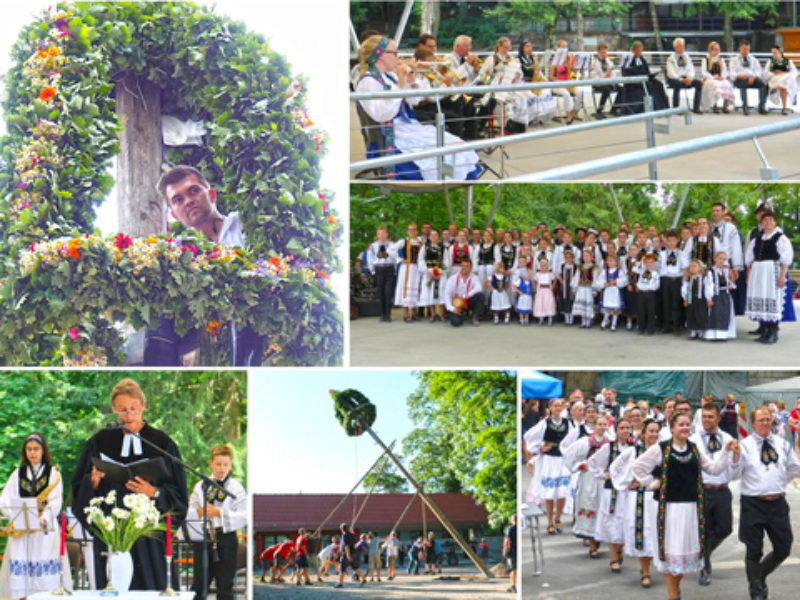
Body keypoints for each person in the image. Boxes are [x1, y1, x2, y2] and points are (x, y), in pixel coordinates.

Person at [72, 378, 188, 589]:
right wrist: (93, 483)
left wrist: (154, 492)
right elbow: (79, 487)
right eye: (123, 410)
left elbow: (179, 493)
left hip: (149, 538)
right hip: (112, 533)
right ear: (115, 411)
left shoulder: (162, 443)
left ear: (143, 407)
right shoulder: (99, 442)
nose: (129, 415)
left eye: (134, 409)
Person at [147, 165, 263, 366]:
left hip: (250, 319)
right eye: (178, 199)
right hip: (204, 333)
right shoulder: (180, 254)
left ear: (211, 194)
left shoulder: (243, 224)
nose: (188, 201)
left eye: (193, 191)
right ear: (174, 214)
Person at [632, 412, 738, 600]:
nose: (685, 428)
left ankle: (676, 588)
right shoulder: (660, 449)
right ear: (672, 427)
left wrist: (725, 452)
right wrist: (651, 483)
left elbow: (714, 469)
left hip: (690, 508)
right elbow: (638, 467)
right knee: (670, 553)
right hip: (668, 509)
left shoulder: (695, 449)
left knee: (683, 556)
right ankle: (673, 595)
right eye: (680, 425)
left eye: (687, 425)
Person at [355, 35, 481, 180]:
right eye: (394, 53)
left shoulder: (389, 76)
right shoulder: (367, 82)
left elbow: (414, 100)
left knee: (457, 146)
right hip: (393, 135)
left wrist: (412, 80)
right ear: (380, 55)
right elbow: (382, 115)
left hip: (408, 127)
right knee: (443, 153)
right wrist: (401, 84)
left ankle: (454, 179)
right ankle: (447, 180)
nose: (398, 57)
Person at [729, 405, 800, 600]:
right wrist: (734, 457)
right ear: (753, 423)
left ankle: (757, 577)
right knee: (754, 550)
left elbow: (793, 467)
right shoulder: (744, 446)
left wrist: (777, 484)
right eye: (761, 420)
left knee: (784, 547)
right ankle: (757, 592)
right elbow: (734, 474)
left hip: (777, 503)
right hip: (753, 504)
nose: (765, 423)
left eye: (768, 419)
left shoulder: (782, 443)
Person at [0, 433, 68, 598]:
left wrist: (41, 519)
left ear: (43, 451)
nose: (32, 453)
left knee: (44, 577)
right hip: (21, 530)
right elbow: (5, 499)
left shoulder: (53, 474)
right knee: (20, 578)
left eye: (36, 449)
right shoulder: (18, 473)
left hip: (43, 529)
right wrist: (21, 519)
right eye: (29, 449)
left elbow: (55, 501)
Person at [189, 444, 247, 599]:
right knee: (199, 586)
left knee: (225, 586)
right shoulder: (200, 486)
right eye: (219, 464)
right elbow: (191, 511)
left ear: (230, 465)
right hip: (203, 537)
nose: (222, 468)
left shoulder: (236, 488)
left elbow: (244, 515)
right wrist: (201, 512)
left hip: (226, 537)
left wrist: (219, 513)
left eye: (226, 465)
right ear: (211, 464)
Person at [609, 419, 662, 588]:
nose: (654, 434)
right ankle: (645, 571)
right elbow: (614, 468)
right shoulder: (633, 451)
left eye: (656, 431)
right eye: (651, 431)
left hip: (658, 497)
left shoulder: (664, 451)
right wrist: (627, 482)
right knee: (643, 533)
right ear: (644, 433)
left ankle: (656, 565)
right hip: (639, 498)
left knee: (657, 532)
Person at [689, 402, 735, 586]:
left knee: (725, 529)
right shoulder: (693, 439)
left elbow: (733, 463)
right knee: (704, 531)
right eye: (704, 417)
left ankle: (702, 554)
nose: (707, 420)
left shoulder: (727, 438)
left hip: (722, 489)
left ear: (718, 418)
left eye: (710, 416)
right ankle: (705, 567)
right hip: (702, 490)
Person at [587, 418, 634, 574]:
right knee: (612, 522)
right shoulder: (609, 447)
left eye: (628, 428)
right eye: (622, 428)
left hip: (628, 491)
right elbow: (592, 462)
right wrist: (603, 475)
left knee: (625, 521)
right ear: (616, 430)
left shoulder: (634, 448)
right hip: (612, 491)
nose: (625, 431)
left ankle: (619, 549)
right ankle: (613, 557)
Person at [562, 413, 612, 559]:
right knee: (589, 504)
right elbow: (570, 456)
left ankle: (602, 539)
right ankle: (592, 542)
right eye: (599, 424)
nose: (602, 427)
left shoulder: (610, 442)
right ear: (593, 426)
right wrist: (579, 466)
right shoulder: (586, 442)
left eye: (604, 424)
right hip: (589, 478)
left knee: (604, 507)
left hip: (604, 478)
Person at [745, 210, 793, 344]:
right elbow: (750, 259)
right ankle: (764, 330)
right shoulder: (756, 239)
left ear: (775, 222)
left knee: (771, 299)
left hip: (772, 271)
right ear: (761, 223)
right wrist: (749, 275)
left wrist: (783, 276)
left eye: (771, 220)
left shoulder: (781, 238)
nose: (768, 222)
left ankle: (773, 332)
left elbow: (785, 260)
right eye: (765, 220)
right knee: (761, 298)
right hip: (758, 271)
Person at [525, 398, 572, 533]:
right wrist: (540, 447)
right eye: (555, 406)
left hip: (562, 459)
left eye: (560, 406)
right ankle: (550, 521)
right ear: (550, 407)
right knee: (549, 492)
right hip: (549, 459)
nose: (558, 408)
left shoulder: (568, 423)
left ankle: (558, 518)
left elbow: (574, 439)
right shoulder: (545, 423)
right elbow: (529, 436)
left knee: (562, 490)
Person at [618, 41, 669, 114]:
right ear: (634, 50)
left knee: (659, 84)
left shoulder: (641, 59)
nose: (640, 53)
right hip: (635, 82)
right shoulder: (629, 59)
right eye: (639, 51)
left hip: (644, 79)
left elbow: (646, 70)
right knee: (650, 86)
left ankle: (662, 107)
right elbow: (627, 72)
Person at [390, 223, 423, 322]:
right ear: (408, 231)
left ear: (417, 231)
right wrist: (400, 259)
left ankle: (414, 312)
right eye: (410, 230)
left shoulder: (420, 242)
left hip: (417, 268)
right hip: (407, 268)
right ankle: (405, 313)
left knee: (416, 288)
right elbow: (390, 250)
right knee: (406, 290)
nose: (412, 231)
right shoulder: (403, 241)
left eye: (414, 229)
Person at [728, 40, 768, 115]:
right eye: (744, 49)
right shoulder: (734, 60)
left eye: (747, 49)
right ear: (740, 48)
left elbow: (758, 71)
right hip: (740, 79)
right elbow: (731, 73)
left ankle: (762, 106)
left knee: (762, 84)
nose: (746, 51)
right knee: (743, 84)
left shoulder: (753, 59)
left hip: (751, 78)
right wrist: (739, 76)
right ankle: (745, 106)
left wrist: (753, 77)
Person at [705, 251, 737, 341]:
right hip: (715, 294)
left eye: (723, 259)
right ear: (715, 259)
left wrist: (731, 285)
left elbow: (731, 282)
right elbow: (709, 285)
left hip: (725, 294)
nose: (721, 261)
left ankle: (723, 335)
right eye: (720, 258)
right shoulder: (710, 271)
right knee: (715, 315)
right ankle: (713, 335)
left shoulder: (726, 271)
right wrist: (709, 298)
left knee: (724, 315)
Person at [367, 226, 397, 322]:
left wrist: (395, 269)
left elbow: (395, 257)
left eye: (383, 233)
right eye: (379, 234)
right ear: (377, 235)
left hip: (389, 268)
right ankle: (382, 314)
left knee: (388, 292)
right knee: (381, 293)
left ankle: (388, 314)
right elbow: (370, 258)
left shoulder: (392, 245)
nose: (381, 235)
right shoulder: (373, 246)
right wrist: (373, 271)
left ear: (387, 234)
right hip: (379, 269)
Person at [665, 37, 702, 114]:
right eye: (680, 46)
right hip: (675, 79)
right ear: (675, 47)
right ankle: (676, 109)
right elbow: (671, 73)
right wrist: (681, 79)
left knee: (698, 83)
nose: (682, 47)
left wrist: (689, 78)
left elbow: (691, 69)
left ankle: (696, 108)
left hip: (686, 79)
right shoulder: (670, 59)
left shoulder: (687, 57)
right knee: (677, 84)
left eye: (683, 45)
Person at [444, 259, 484, 327]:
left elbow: (479, 288)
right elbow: (447, 295)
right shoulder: (452, 278)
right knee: (456, 323)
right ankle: (459, 315)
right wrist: (452, 309)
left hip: (467, 302)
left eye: (467, 266)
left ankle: (475, 317)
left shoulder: (474, 277)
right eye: (462, 266)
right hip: (456, 304)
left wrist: (464, 296)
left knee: (480, 296)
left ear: (471, 268)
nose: (464, 268)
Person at [549, 40, 581, 124]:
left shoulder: (571, 58)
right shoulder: (555, 59)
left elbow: (575, 72)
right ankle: (568, 115)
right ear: (558, 48)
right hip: (557, 83)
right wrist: (561, 82)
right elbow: (551, 76)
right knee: (566, 94)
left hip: (569, 82)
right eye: (562, 47)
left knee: (580, 92)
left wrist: (574, 70)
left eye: (565, 47)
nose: (564, 49)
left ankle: (573, 112)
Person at [682, 259, 714, 340]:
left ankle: (700, 332)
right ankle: (693, 332)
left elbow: (708, 287)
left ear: (700, 268)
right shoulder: (689, 278)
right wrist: (685, 298)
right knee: (691, 314)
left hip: (701, 300)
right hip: (691, 299)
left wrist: (709, 298)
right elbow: (685, 288)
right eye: (691, 266)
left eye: (695, 266)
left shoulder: (704, 278)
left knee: (701, 315)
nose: (692, 268)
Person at [418, 229, 445, 322]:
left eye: (436, 235)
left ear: (439, 237)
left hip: (440, 272)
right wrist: (426, 271)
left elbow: (446, 261)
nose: (434, 237)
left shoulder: (443, 247)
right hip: (428, 273)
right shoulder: (424, 247)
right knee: (430, 293)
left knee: (440, 293)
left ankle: (442, 314)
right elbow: (420, 260)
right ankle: (432, 315)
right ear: (429, 237)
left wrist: (439, 271)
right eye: (432, 235)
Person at [700, 41, 735, 113]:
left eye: (718, 50)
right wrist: (713, 77)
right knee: (715, 85)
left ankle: (725, 106)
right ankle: (714, 105)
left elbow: (725, 71)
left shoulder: (721, 60)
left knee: (727, 84)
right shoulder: (705, 60)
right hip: (709, 79)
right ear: (710, 50)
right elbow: (704, 72)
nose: (717, 51)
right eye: (715, 49)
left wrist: (722, 77)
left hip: (720, 78)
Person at [596, 254, 627, 331]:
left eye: (611, 261)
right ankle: (604, 321)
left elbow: (624, 280)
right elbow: (599, 280)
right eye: (608, 261)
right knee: (608, 308)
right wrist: (604, 283)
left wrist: (616, 281)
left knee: (615, 308)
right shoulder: (605, 271)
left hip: (615, 292)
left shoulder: (619, 271)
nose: (609, 262)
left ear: (616, 262)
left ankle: (614, 324)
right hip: (608, 292)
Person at [763, 46, 797, 115]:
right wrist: (775, 74)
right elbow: (765, 72)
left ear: (780, 53)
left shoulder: (788, 62)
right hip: (774, 79)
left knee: (787, 80)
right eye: (773, 53)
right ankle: (784, 108)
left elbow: (794, 72)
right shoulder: (770, 62)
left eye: (775, 52)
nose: (774, 54)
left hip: (785, 80)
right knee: (784, 84)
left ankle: (784, 108)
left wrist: (784, 74)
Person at [590, 43, 620, 118]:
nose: (604, 54)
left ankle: (615, 108)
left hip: (608, 82)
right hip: (598, 83)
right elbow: (593, 76)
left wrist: (612, 75)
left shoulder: (608, 61)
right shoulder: (594, 62)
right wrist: (604, 77)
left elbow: (613, 72)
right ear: (598, 52)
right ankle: (599, 110)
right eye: (603, 52)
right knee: (607, 90)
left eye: (605, 52)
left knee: (622, 89)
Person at [572, 248, 597, 328]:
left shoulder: (594, 267)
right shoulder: (580, 267)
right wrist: (575, 288)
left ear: (591, 257)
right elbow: (576, 278)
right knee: (582, 305)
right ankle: (583, 322)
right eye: (584, 256)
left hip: (589, 289)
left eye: (587, 256)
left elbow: (595, 279)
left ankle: (588, 322)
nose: (585, 258)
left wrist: (594, 290)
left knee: (588, 304)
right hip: (581, 288)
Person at [335, 522, 365, 588]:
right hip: (353, 553)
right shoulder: (352, 534)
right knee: (356, 567)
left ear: (341, 529)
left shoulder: (344, 535)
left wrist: (348, 555)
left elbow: (346, 545)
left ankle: (340, 583)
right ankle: (364, 579)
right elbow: (354, 544)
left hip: (346, 554)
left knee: (342, 568)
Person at [636, 253, 660, 335]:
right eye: (647, 262)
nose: (649, 264)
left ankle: (650, 329)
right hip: (642, 294)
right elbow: (639, 282)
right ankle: (641, 327)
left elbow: (656, 285)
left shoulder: (655, 274)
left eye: (651, 262)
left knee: (651, 311)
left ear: (654, 263)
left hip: (650, 294)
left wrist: (647, 288)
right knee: (641, 311)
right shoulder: (642, 272)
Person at [533, 258, 557, 325]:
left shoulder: (550, 273)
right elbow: (535, 281)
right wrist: (536, 285)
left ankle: (550, 318)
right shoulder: (537, 274)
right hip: (540, 291)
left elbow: (555, 280)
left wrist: (553, 286)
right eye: (541, 266)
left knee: (548, 303)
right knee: (540, 304)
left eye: (544, 266)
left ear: (547, 266)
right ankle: (541, 318)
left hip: (548, 290)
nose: (543, 267)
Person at [504, 514, 517, 593]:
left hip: (512, 551)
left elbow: (507, 540)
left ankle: (513, 585)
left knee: (513, 570)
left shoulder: (511, 528)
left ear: (512, 520)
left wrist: (505, 550)